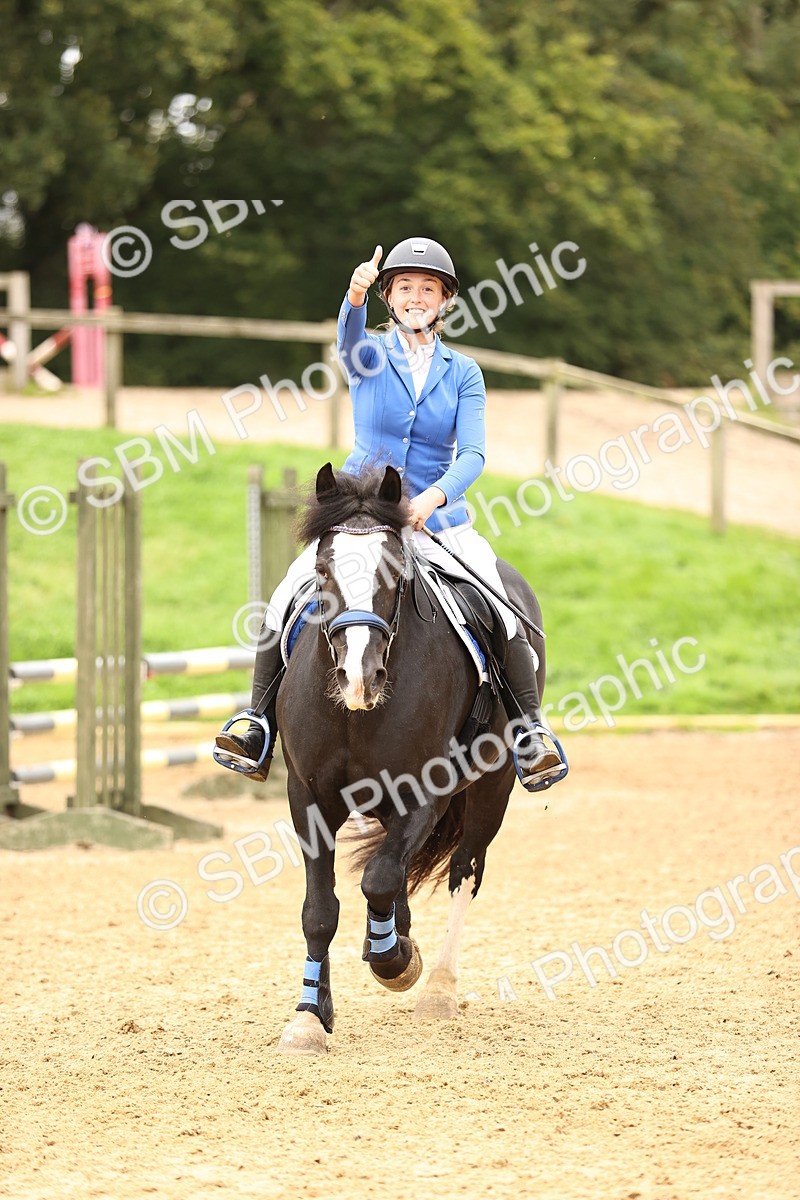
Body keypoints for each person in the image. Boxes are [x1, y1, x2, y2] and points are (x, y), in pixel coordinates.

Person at [214, 237, 565, 790]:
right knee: (288, 594)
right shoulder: (370, 352)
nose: (417, 295)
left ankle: (528, 733)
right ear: (389, 297)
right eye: (405, 287)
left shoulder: (464, 372)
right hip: (361, 515)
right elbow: (347, 336)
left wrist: (432, 499)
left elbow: (472, 454)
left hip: (437, 519)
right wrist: (352, 298)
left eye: (429, 288)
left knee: (503, 605)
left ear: (446, 300)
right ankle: (255, 721)